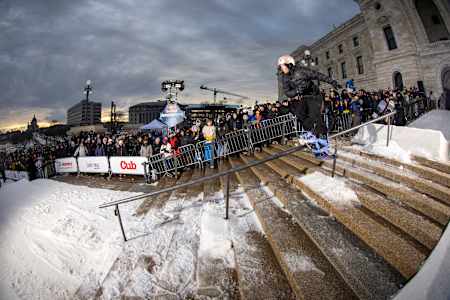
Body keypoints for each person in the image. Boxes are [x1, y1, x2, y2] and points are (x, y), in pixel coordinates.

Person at [278, 54, 340, 157]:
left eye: (283, 66)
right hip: (304, 96)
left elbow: (318, 75)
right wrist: (297, 91)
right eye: (281, 67)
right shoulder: (285, 78)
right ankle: (311, 132)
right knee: (299, 113)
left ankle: (323, 148)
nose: (282, 69)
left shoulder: (301, 71)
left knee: (316, 118)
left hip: (315, 96)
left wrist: (332, 82)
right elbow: (287, 92)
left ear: (289, 65)